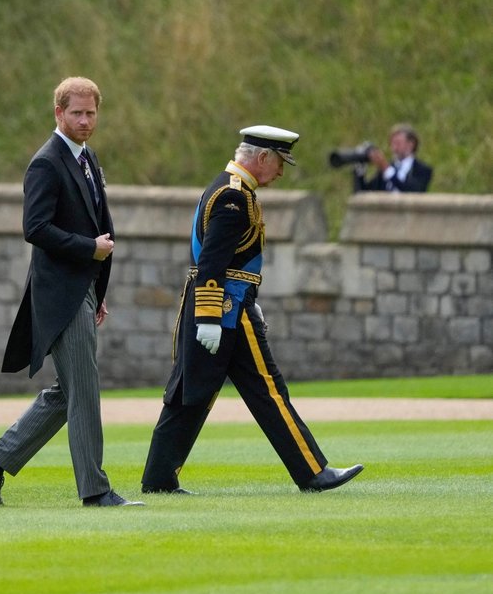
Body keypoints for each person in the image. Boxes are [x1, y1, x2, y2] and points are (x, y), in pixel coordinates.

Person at [142, 125, 364, 495]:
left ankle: (159, 479)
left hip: (225, 308)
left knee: (192, 393)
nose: (280, 172)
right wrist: (213, 317)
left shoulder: (232, 188)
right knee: (266, 392)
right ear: (262, 157)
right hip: (226, 313)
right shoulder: (234, 197)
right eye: (279, 163)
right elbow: (212, 261)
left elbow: (230, 260)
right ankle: (313, 472)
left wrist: (246, 302)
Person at [0, 77, 142, 507]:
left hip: (80, 290)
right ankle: (95, 490)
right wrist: (89, 250)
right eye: (76, 113)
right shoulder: (46, 162)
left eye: (91, 113)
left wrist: (98, 290)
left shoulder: (86, 157)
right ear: (58, 113)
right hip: (60, 296)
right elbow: (36, 229)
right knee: (84, 391)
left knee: (67, 392)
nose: (85, 120)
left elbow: (95, 222)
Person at [353, 123, 433, 192]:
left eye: (398, 143)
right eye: (392, 143)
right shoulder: (388, 168)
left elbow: (413, 190)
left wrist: (386, 169)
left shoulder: (423, 170)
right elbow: (366, 192)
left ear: (410, 144)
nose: (394, 148)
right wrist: (359, 172)